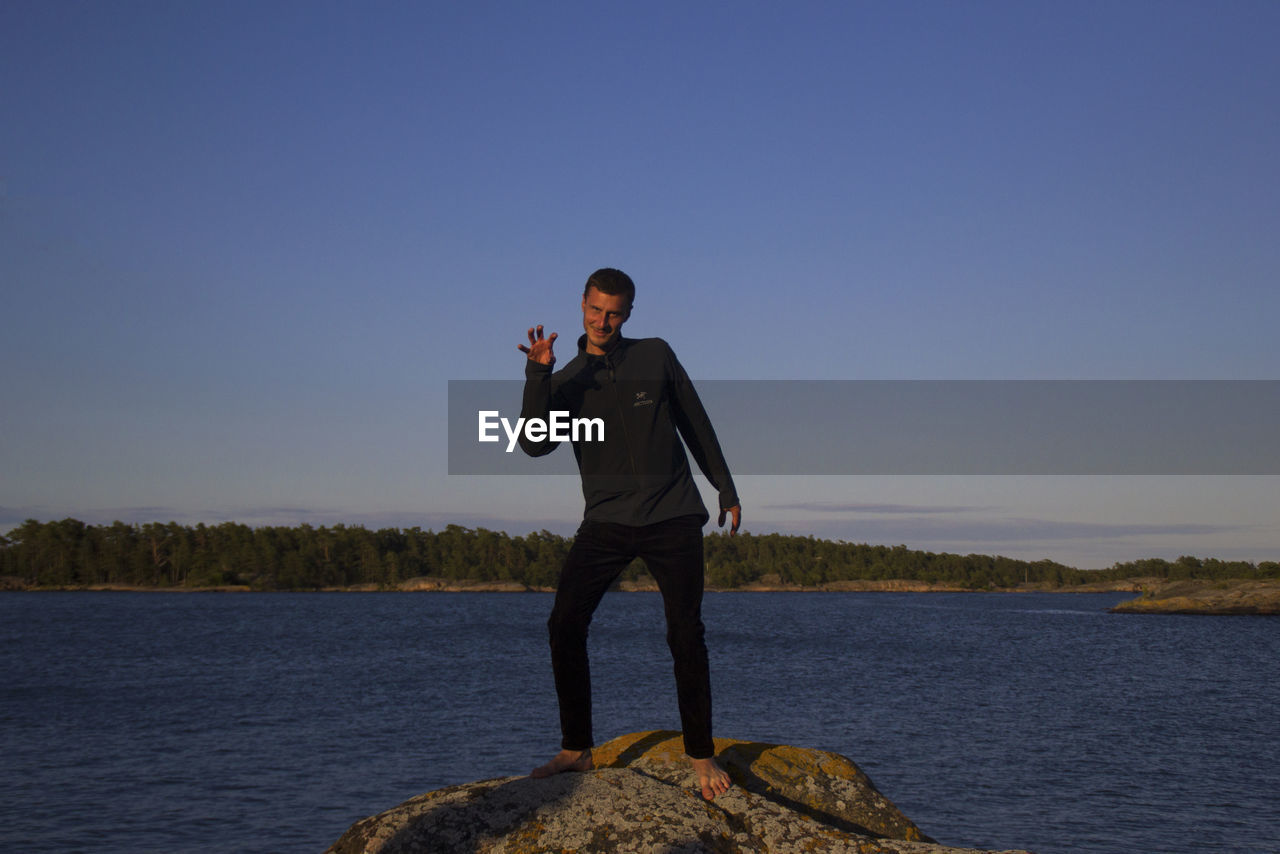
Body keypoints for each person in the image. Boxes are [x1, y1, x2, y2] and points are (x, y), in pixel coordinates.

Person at [516, 267, 741, 801]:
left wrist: (725, 488)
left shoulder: (655, 354)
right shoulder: (568, 381)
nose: (603, 321)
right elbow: (532, 444)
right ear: (582, 306)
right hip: (608, 520)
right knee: (564, 622)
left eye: (614, 313)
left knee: (685, 632)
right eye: (595, 310)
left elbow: (695, 421)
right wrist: (536, 375)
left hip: (673, 515)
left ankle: (700, 753)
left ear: (629, 313)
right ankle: (576, 749)